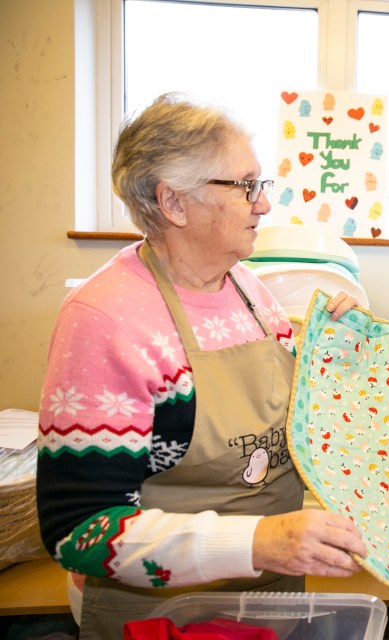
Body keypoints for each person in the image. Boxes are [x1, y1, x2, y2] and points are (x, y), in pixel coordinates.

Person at [35, 92, 367, 639]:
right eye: (245, 186)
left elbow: (295, 430)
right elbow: (81, 528)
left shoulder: (247, 288)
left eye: (261, 185)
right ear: (174, 203)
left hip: (271, 591)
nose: (263, 204)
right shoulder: (106, 321)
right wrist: (260, 542)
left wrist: (343, 358)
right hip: (161, 612)